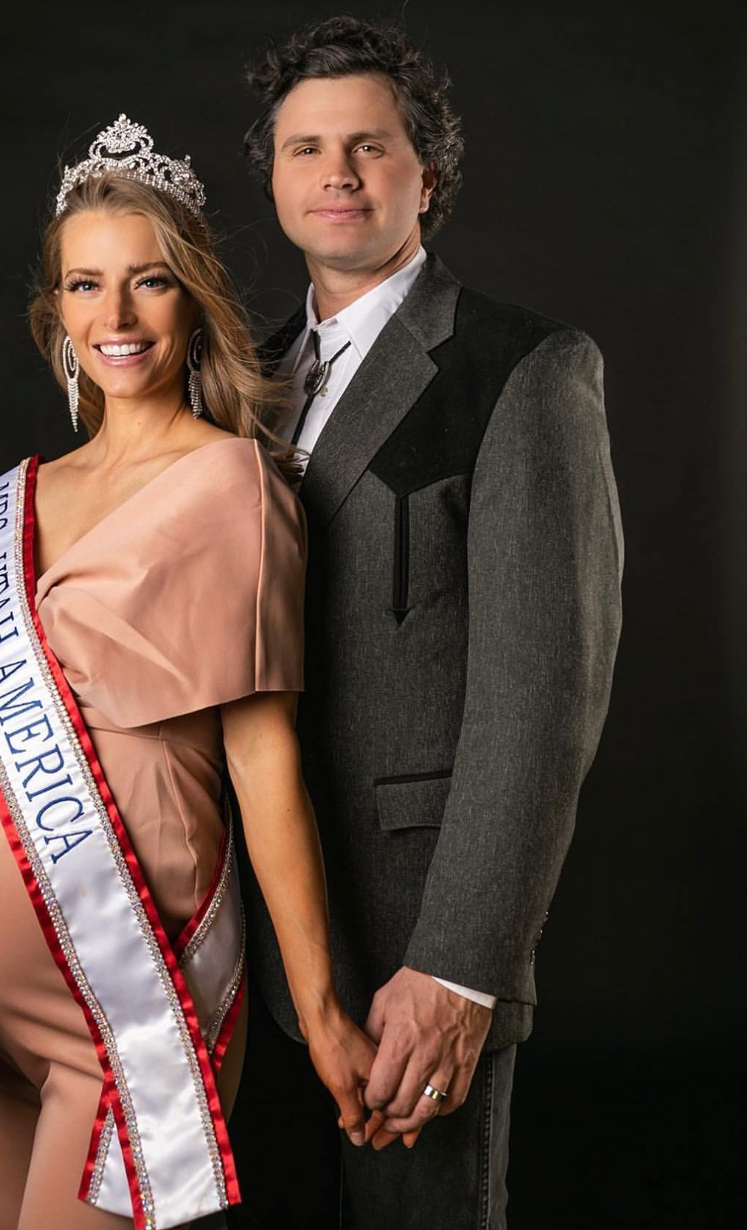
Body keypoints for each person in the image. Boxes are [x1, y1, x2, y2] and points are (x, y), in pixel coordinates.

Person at [0, 115, 384, 1230]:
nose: (118, 316)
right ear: (57, 315)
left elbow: (261, 749)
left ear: (190, 297)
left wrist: (323, 1002)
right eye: (87, 287)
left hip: (128, 986)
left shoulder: (235, 485)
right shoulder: (17, 495)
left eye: (148, 282)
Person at [226, 16, 624, 1230]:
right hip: (242, 923)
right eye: (306, 148)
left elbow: (542, 699)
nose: (336, 174)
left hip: (415, 929)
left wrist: (459, 967)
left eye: (369, 146)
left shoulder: (521, 369)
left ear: (425, 175)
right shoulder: (238, 374)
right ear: (277, 176)